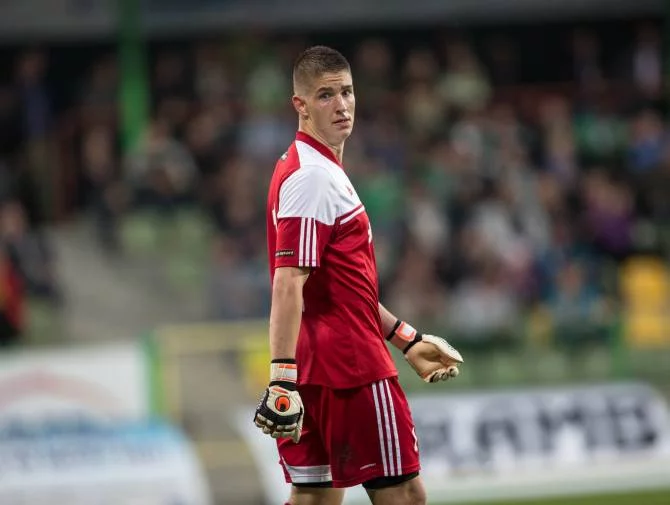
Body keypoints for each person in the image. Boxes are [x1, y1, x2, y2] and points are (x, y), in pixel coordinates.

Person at [253, 45, 464, 505]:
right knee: (405, 495)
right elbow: (288, 283)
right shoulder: (314, 177)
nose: (341, 105)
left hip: (316, 368)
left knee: (315, 499)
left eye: (347, 92)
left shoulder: (303, 167)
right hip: (350, 368)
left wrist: (406, 338)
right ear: (300, 105)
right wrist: (281, 379)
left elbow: (340, 289)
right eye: (325, 95)